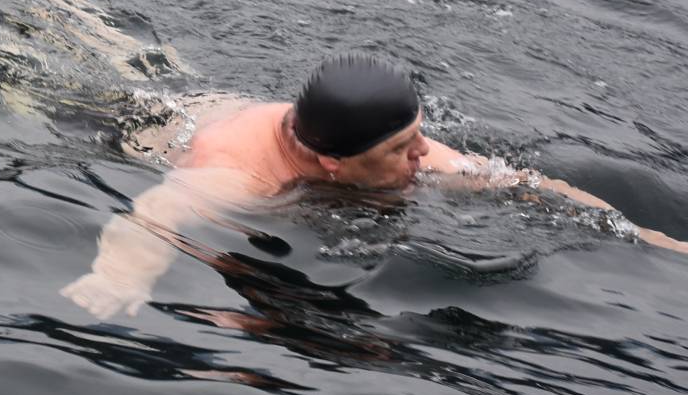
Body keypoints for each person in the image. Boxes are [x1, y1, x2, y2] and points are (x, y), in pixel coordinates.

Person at [60, 54, 687, 319]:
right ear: (333, 162)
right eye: (400, 149)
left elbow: (528, 184)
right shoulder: (240, 178)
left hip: (213, 101)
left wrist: (650, 237)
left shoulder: (401, 146)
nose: (425, 154)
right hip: (140, 127)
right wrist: (121, 278)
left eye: (420, 134)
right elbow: (154, 211)